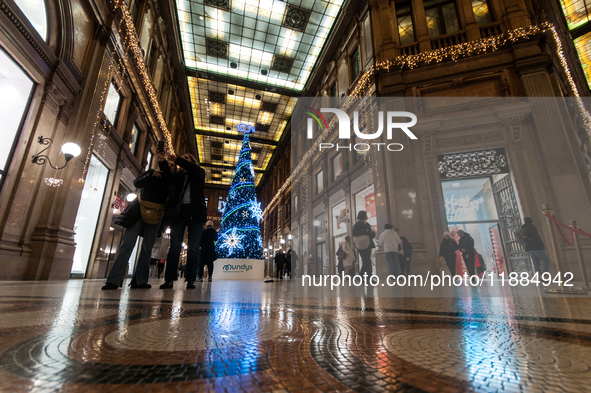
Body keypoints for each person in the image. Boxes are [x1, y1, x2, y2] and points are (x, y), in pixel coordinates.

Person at [102, 153, 171, 290]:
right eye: (168, 164)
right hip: (139, 211)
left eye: (172, 165)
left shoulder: (171, 181)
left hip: (156, 215)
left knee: (147, 248)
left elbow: (169, 188)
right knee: (127, 244)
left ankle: (140, 281)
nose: (169, 166)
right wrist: (151, 175)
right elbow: (137, 183)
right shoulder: (151, 173)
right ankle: (113, 280)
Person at [160, 153, 207, 290]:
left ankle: (191, 279)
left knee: (193, 248)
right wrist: (162, 160)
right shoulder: (178, 176)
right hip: (179, 213)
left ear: (192, 162)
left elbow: (192, 167)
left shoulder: (199, 173)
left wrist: (178, 159)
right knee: (174, 247)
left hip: (196, 214)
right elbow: (167, 177)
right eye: (183, 157)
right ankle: (169, 279)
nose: (184, 159)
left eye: (187, 157)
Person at [352, 211, 376, 276]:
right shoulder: (357, 225)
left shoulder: (367, 224)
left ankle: (363, 276)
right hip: (362, 245)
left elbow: (371, 234)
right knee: (366, 261)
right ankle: (366, 277)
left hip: (368, 244)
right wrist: (366, 231)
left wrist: (372, 233)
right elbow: (354, 233)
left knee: (367, 261)